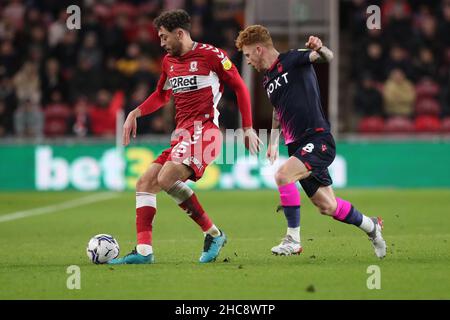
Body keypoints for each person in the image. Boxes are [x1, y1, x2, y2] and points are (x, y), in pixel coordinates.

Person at [109, 10, 262, 265]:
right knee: (144, 183)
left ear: (179, 33)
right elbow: (161, 95)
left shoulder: (211, 56)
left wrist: (247, 128)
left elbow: (239, 86)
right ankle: (145, 252)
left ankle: (213, 234)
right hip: (182, 135)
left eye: (164, 37)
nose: (161, 43)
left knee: (166, 177)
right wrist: (135, 112)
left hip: (206, 132)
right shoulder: (168, 62)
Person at [235, 25, 386, 258]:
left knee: (283, 175)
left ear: (258, 50)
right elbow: (278, 111)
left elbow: (327, 57)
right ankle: (371, 226)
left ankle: (292, 240)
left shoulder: (294, 58)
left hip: (318, 138)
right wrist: (274, 141)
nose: (247, 61)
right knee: (328, 206)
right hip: (296, 145)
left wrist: (320, 47)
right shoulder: (267, 80)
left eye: (247, 55)